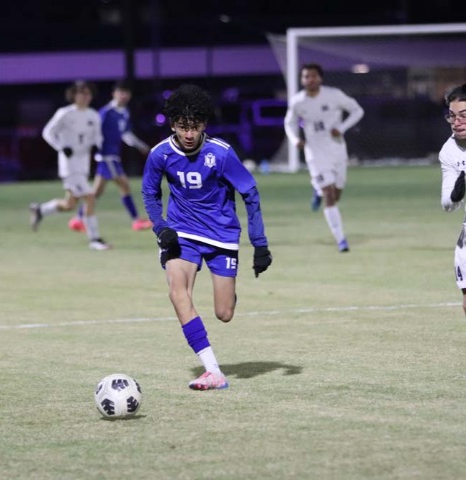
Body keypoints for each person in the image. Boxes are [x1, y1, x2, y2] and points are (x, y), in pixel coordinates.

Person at [141, 84, 273, 391]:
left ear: (205, 125)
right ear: (172, 124)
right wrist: (161, 227)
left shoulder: (221, 153)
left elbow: (250, 193)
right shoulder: (160, 154)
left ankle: (228, 291)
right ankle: (213, 371)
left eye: (195, 126)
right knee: (177, 292)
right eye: (183, 127)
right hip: (182, 233)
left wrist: (260, 244)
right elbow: (150, 193)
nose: (189, 134)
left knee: (224, 313)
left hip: (220, 234)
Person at [284, 63, 364, 252]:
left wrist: (341, 128)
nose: (310, 80)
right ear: (302, 80)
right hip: (314, 152)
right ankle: (341, 240)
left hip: (336, 149)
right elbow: (289, 123)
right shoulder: (297, 101)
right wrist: (295, 140)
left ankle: (317, 190)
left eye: (313, 76)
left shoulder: (334, 95)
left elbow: (357, 110)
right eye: (306, 76)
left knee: (336, 194)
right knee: (329, 194)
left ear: (320, 78)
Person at [29, 80, 110, 251]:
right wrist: (61, 147)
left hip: (83, 165)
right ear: (74, 95)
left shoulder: (93, 115)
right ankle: (95, 239)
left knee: (70, 204)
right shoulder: (65, 113)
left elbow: (98, 137)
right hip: (69, 165)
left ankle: (40, 210)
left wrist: (100, 148)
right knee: (90, 197)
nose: (85, 96)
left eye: (88, 93)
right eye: (81, 93)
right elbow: (47, 132)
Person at [68, 80, 153, 233]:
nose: (124, 95)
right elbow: (92, 130)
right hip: (107, 156)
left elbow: (126, 134)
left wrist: (141, 146)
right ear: (114, 94)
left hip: (113, 156)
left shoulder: (124, 112)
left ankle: (78, 219)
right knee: (124, 185)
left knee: (96, 192)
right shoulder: (106, 112)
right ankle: (136, 221)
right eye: (121, 92)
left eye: (126, 93)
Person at [439, 83, 466, 315]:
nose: (457, 122)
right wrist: (457, 193)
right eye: (452, 116)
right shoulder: (449, 151)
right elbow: (447, 205)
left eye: (464, 116)